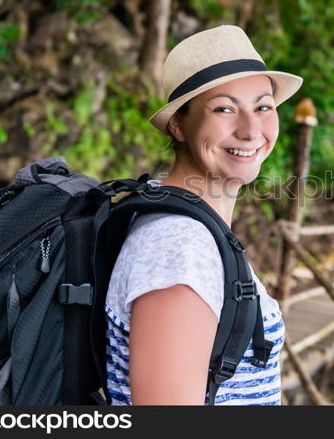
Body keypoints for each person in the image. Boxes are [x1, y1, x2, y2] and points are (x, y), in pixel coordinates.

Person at [104, 24, 303, 405]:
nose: (250, 130)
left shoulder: (193, 228)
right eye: (225, 109)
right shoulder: (179, 249)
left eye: (263, 107)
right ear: (179, 124)